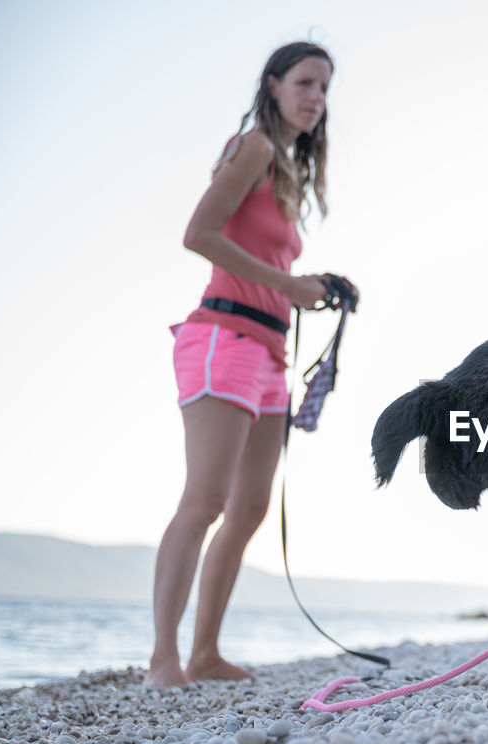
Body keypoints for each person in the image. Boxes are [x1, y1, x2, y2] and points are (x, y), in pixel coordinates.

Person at [146, 42, 355, 688]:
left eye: (324, 87)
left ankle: (205, 653)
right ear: (272, 85)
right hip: (222, 341)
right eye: (305, 83)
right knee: (204, 500)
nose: (317, 98)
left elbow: (272, 272)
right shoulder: (255, 147)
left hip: (269, 354)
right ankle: (163, 661)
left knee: (250, 509)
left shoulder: (285, 170)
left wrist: (312, 283)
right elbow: (197, 234)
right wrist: (288, 286)